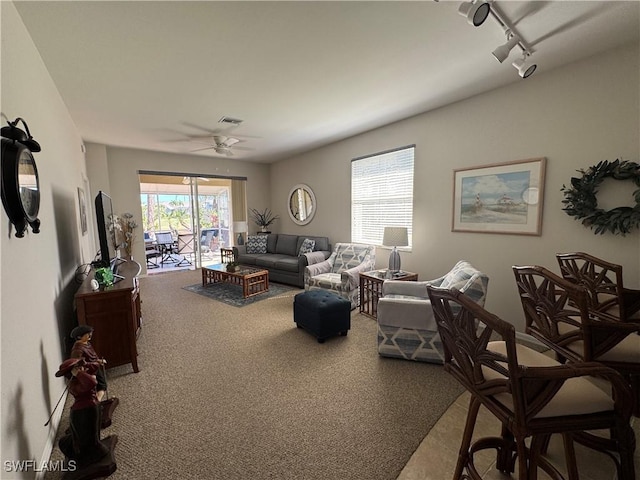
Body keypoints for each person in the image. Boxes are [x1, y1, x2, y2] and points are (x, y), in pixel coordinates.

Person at [56, 358, 115, 469]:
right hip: (82, 412)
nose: (82, 368)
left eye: (80, 366)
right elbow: (92, 382)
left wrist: (85, 364)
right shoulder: (73, 384)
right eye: (77, 367)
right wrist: (78, 373)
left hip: (92, 407)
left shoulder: (82, 375)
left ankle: (98, 449)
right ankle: (90, 456)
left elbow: (94, 367)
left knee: (94, 431)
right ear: (72, 372)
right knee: (85, 436)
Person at [70, 325, 119, 428]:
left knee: (102, 385)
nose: (90, 335)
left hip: (96, 368)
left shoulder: (86, 344)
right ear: (80, 336)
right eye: (87, 334)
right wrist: (95, 364)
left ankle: (97, 403)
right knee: (93, 389)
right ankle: (93, 406)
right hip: (89, 372)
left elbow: (92, 356)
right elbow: (78, 365)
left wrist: (97, 361)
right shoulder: (77, 350)